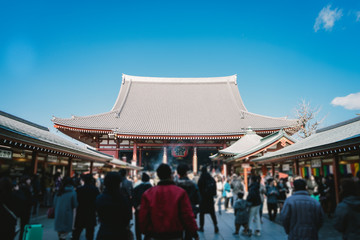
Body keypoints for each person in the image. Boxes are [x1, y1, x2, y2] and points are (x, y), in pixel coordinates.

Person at [139, 164, 199, 240]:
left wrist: (146, 232)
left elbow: (143, 217)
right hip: (175, 235)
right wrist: (194, 233)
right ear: (171, 175)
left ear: (158, 175)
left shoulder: (148, 194)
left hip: (154, 235)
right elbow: (187, 215)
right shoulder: (180, 192)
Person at [96, 172, 132, 240]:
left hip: (104, 233)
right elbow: (127, 218)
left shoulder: (99, 198)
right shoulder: (123, 200)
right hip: (120, 234)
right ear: (119, 184)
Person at [176, 164, 201, 240]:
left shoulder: (175, 184)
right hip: (190, 209)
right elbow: (198, 199)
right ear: (186, 172)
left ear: (178, 173)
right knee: (188, 232)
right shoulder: (193, 184)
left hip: (176, 212)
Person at [72, 174, 100, 240]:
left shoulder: (79, 189)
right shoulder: (95, 190)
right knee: (90, 233)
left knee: (77, 231)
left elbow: (76, 201)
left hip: (81, 212)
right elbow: (97, 202)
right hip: (91, 212)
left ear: (84, 180)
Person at [198, 166, 219, 233]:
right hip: (210, 198)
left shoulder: (201, 179)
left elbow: (199, 188)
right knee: (212, 213)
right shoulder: (211, 178)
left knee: (202, 214)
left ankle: (201, 227)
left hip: (203, 198)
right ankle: (215, 226)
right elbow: (214, 187)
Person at [133, 173, 152, 240]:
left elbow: (133, 199)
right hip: (149, 211)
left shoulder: (136, 188)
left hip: (139, 210)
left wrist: (136, 206)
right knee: (149, 228)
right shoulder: (152, 188)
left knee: (138, 228)